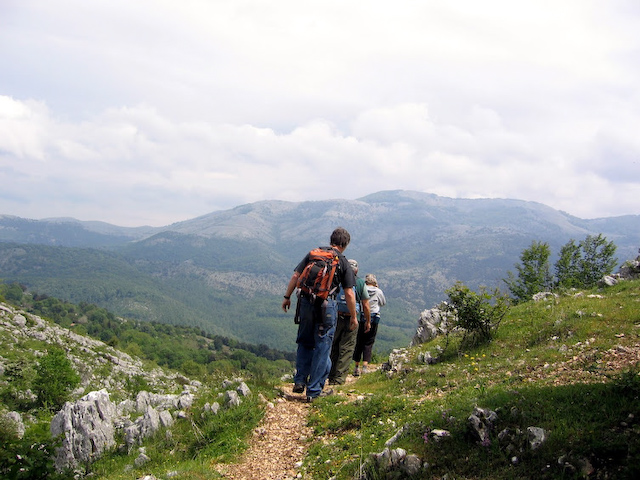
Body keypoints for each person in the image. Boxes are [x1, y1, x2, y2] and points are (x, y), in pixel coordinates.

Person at [282, 227, 357, 401]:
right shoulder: (342, 261)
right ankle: (314, 391)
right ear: (345, 244)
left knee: (305, 341)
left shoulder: (313, 254)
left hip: (306, 303)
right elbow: (349, 293)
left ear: (331, 240)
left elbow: (295, 276)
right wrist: (353, 316)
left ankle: (300, 381)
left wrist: (287, 297)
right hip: (326, 306)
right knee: (323, 346)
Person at [328, 259, 370, 385]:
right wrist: (367, 321)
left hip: (336, 316)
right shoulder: (360, 283)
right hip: (352, 318)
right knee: (346, 348)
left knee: (334, 346)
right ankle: (339, 379)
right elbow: (366, 305)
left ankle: (331, 375)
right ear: (356, 270)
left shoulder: (338, 279)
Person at [353, 273, 386, 376]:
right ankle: (365, 367)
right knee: (369, 341)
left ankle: (356, 367)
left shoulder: (362, 288)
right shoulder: (378, 291)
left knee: (359, 341)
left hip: (362, 317)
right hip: (374, 317)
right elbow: (383, 303)